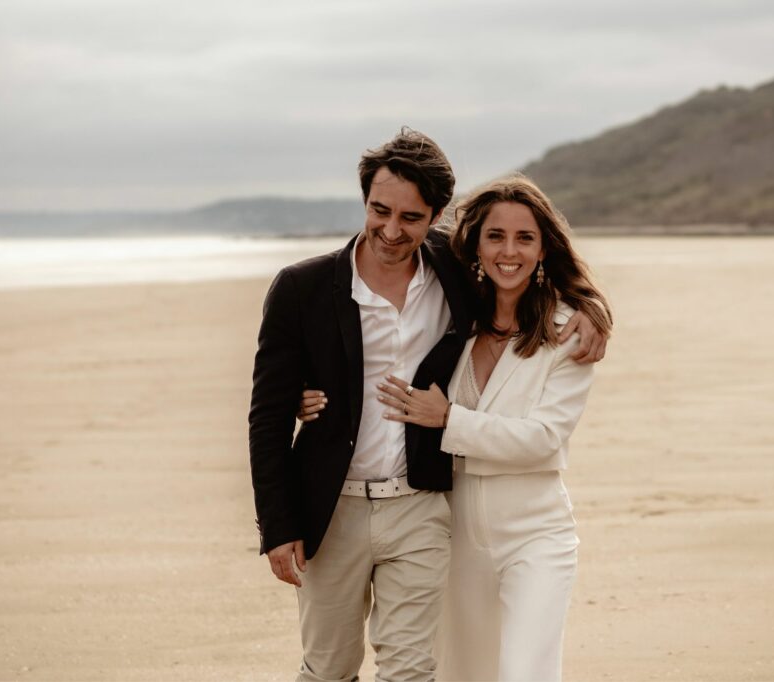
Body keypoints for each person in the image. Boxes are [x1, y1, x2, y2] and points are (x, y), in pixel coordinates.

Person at [250, 129, 607, 682]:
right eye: (379, 210)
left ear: (435, 217)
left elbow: (526, 267)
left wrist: (588, 307)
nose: (391, 231)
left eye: (411, 218)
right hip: (333, 506)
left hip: (421, 506)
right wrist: (276, 524)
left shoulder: (451, 275)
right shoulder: (303, 287)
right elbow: (267, 416)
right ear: (365, 201)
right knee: (328, 667)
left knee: (412, 669)